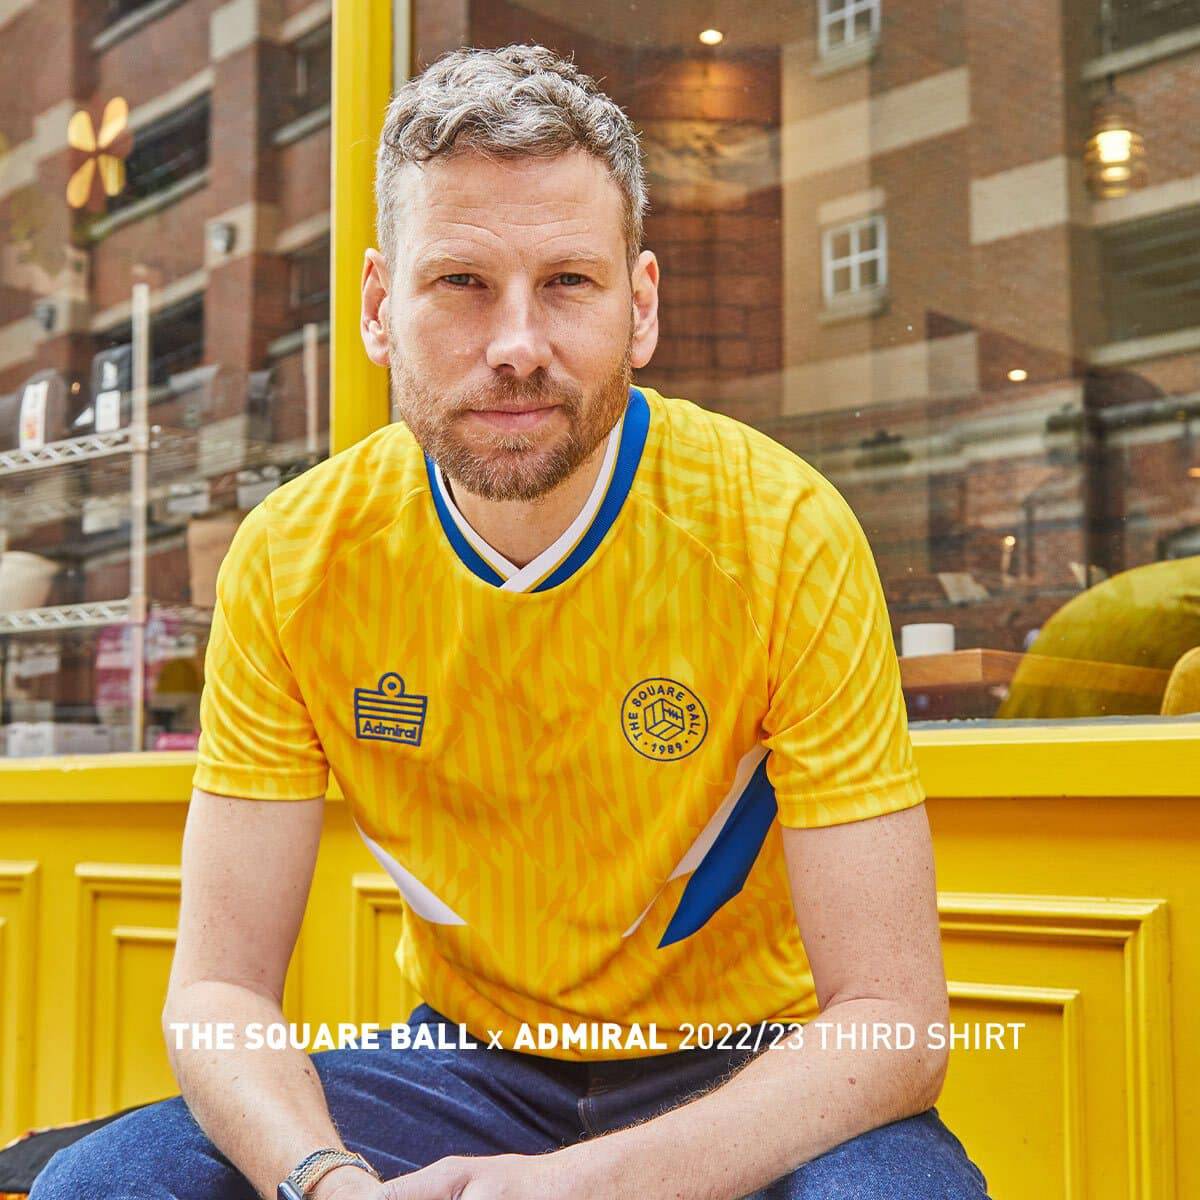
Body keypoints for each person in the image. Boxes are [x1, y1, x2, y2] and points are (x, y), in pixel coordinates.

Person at [32, 44, 990, 1200]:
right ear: (381, 308)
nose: (518, 345)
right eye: (464, 285)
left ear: (639, 308)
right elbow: (220, 991)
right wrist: (322, 1178)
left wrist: (595, 1183)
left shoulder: (782, 531)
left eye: (569, 285)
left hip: (747, 1057)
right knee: (106, 1185)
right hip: (462, 1061)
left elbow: (896, 1022)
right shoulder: (296, 559)